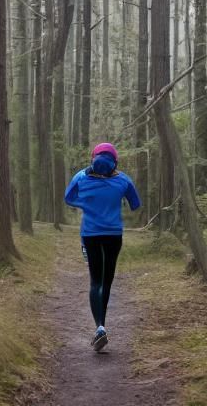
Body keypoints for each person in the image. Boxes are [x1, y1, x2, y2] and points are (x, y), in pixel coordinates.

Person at [64, 142, 141, 352]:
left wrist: (86, 203)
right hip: (114, 235)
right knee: (107, 282)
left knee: (94, 281)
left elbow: (68, 198)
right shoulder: (123, 180)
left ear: (93, 158)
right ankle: (102, 326)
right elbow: (136, 205)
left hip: (90, 235)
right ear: (115, 161)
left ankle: (99, 327)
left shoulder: (81, 177)